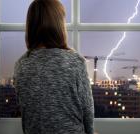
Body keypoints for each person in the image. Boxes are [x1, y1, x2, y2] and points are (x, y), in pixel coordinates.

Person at [13, 0, 94, 133]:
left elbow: (25, 111)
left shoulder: (20, 64)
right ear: (59, 26)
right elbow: (87, 110)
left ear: (31, 26)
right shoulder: (76, 62)